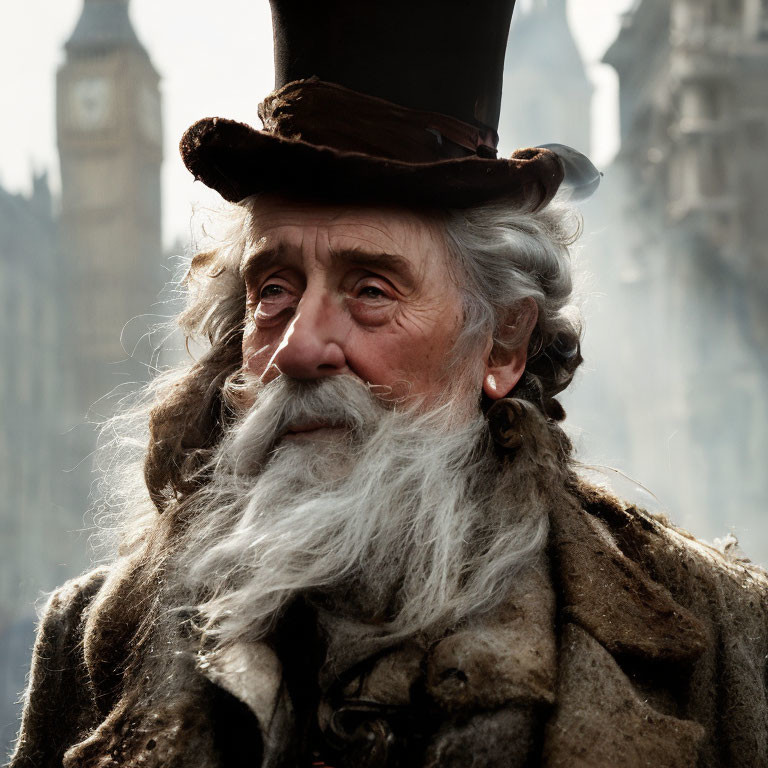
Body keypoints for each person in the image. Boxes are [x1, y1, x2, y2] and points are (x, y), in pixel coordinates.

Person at [10, 1, 768, 766]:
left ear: (501, 343)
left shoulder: (723, 640)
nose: (299, 346)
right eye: (273, 289)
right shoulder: (91, 647)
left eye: (371, 290)